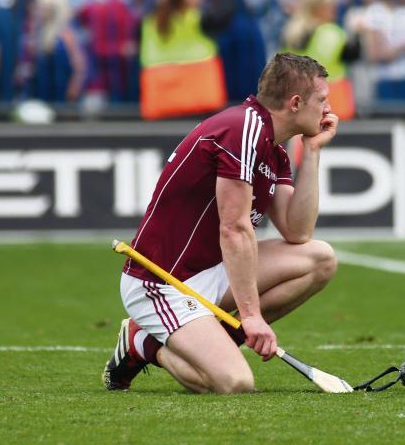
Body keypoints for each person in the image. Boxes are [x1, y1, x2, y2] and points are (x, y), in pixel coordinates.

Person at [103, 52, 339, 394]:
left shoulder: (273, 148)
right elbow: (234, 228)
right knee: (235, 383)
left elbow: (297, 231)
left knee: (320, 259)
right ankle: (144, 344)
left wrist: (313, 151)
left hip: (212, 271)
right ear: (296, 102)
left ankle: (209, 343)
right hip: (163, 281)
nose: (329, 108)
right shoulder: (243, 129)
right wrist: (252, 316)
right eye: (322, 100)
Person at [281, 0, 359, 120]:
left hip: (298, 97)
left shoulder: (292, 31)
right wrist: (356, 34)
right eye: (331, 7)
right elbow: (352, 55)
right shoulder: (331, 32)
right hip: (331, 97)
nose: (334, 11)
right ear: (318, 9)